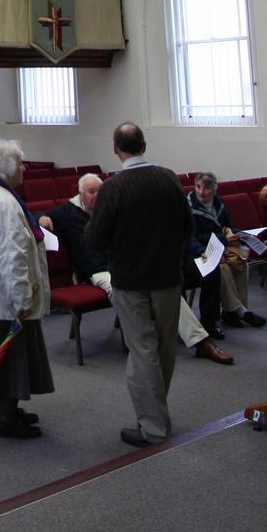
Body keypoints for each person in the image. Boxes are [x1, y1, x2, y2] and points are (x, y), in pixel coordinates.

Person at [43, 173, 232, 365]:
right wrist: (43, 218)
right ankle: (142, 342)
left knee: (163, 285)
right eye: (92, 192)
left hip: (123, 263)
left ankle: (200, 340)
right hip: (98, 271)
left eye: (100, 191)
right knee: (119, 290)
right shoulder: (68, 211)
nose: (97, 196)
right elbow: (37, 215)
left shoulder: (108, 208)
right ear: (81, 193)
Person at [87, 123, 192, 447]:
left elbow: (95, 239)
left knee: (143, 350)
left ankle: (153, 426)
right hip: (167, 278)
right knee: (163, 347)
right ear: (144, 144)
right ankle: (156, 412)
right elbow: (188, 227)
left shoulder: (112, 189)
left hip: (131, 281)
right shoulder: (169, 179)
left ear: (116, 149)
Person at [0, 139, 53, 439]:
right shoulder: (3, 202)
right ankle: (6, 418)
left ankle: (11, 410)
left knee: (13, 355)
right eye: (21, 162)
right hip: (6, 296)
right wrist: (22, 298)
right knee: (12, 357)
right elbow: (12, 255)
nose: (25, 167)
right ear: (8, 168)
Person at [189, 173, 265, 329]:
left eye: (207, 188)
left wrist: (236, 234)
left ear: (214, 189)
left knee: (241, 263)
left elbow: (228, 225)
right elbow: (194, 236)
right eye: (198, 187)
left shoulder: (219, 203)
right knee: (222, 269)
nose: (202, 192)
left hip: (221, 247)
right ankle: (240, 312)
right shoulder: (190, 207)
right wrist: (223, 238)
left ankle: (233, 312)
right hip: (199, 252)